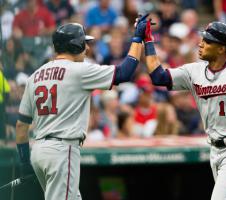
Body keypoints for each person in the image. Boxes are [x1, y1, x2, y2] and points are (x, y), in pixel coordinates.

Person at [15, 15, 148, 200]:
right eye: (83, 43)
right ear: (74, 45)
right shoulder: (79, 70)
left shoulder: (34, 76)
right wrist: (136, 39)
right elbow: (125, 72)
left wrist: (24, 164)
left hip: (38, 151)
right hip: (62, 150)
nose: (87, 48)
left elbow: (21, 126)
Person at [142, 20, 226, 199]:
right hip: (215, 149)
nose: (201, 43)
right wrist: (148, 40)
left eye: (207, 41)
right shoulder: (193, 72)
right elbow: (158, 77)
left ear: (222, 48)